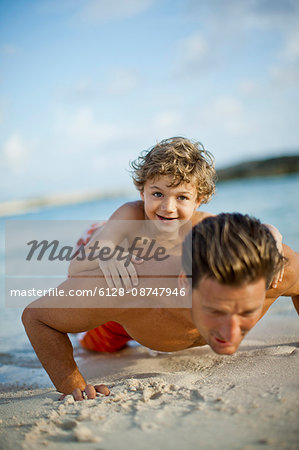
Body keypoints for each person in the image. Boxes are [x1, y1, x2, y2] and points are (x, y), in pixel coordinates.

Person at [22, 213, 299, 401]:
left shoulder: (275, 272)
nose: (231, 331)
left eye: (246, 312)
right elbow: (37, 317)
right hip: (123, 292)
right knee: (97, 346)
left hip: (187, 238)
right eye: (217, 310)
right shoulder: (130, 286)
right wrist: (74, 387)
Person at [68, 137, 283, 353]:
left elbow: (250, 229)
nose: (168, 207)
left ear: (198, 200)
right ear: (142, 192)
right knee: (97, 345)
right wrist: (105, 254)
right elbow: (75, 269)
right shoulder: (131, 214)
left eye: (182, 197)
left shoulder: (203, 224)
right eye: (157, 194)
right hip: (101, 238)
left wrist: (274, 235)